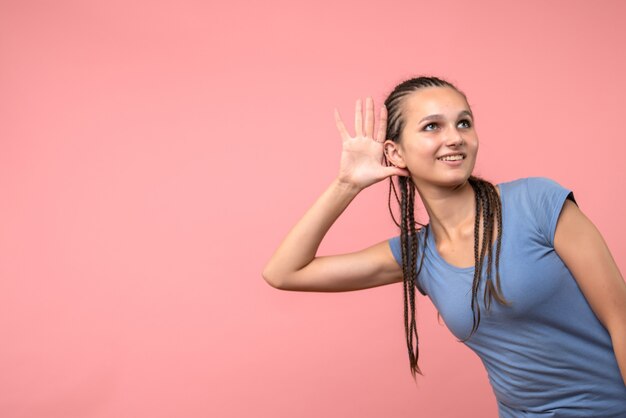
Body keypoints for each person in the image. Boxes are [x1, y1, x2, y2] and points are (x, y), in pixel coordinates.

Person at [262, 76, 626, 417]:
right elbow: (284, 272)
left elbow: (621, 319)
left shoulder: (538, 202)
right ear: (396, 152)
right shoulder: (418, 256)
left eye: (463, 123)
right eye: (432, 126)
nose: (454, 138)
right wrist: (347, 184)